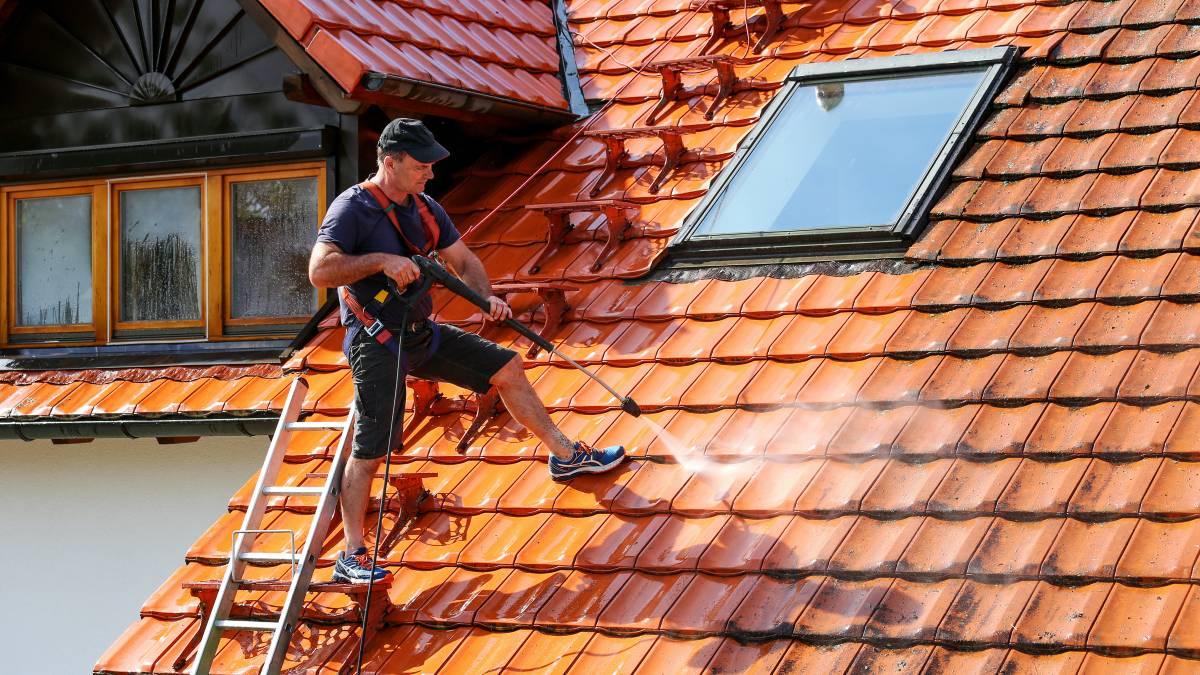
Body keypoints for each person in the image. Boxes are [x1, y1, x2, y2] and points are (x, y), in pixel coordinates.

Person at [308, 118, 626, 584]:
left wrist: (486, 298)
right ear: (390, 163)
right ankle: (351, 554)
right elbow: (320, 271)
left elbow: (464, 261)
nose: (430, 173)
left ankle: (564, 456)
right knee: (372, 449)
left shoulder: (426, 208)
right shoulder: (352, 208)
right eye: (421, 166)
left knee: (507, 366)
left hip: (420, 333)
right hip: (376, 342)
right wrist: (381, 261)